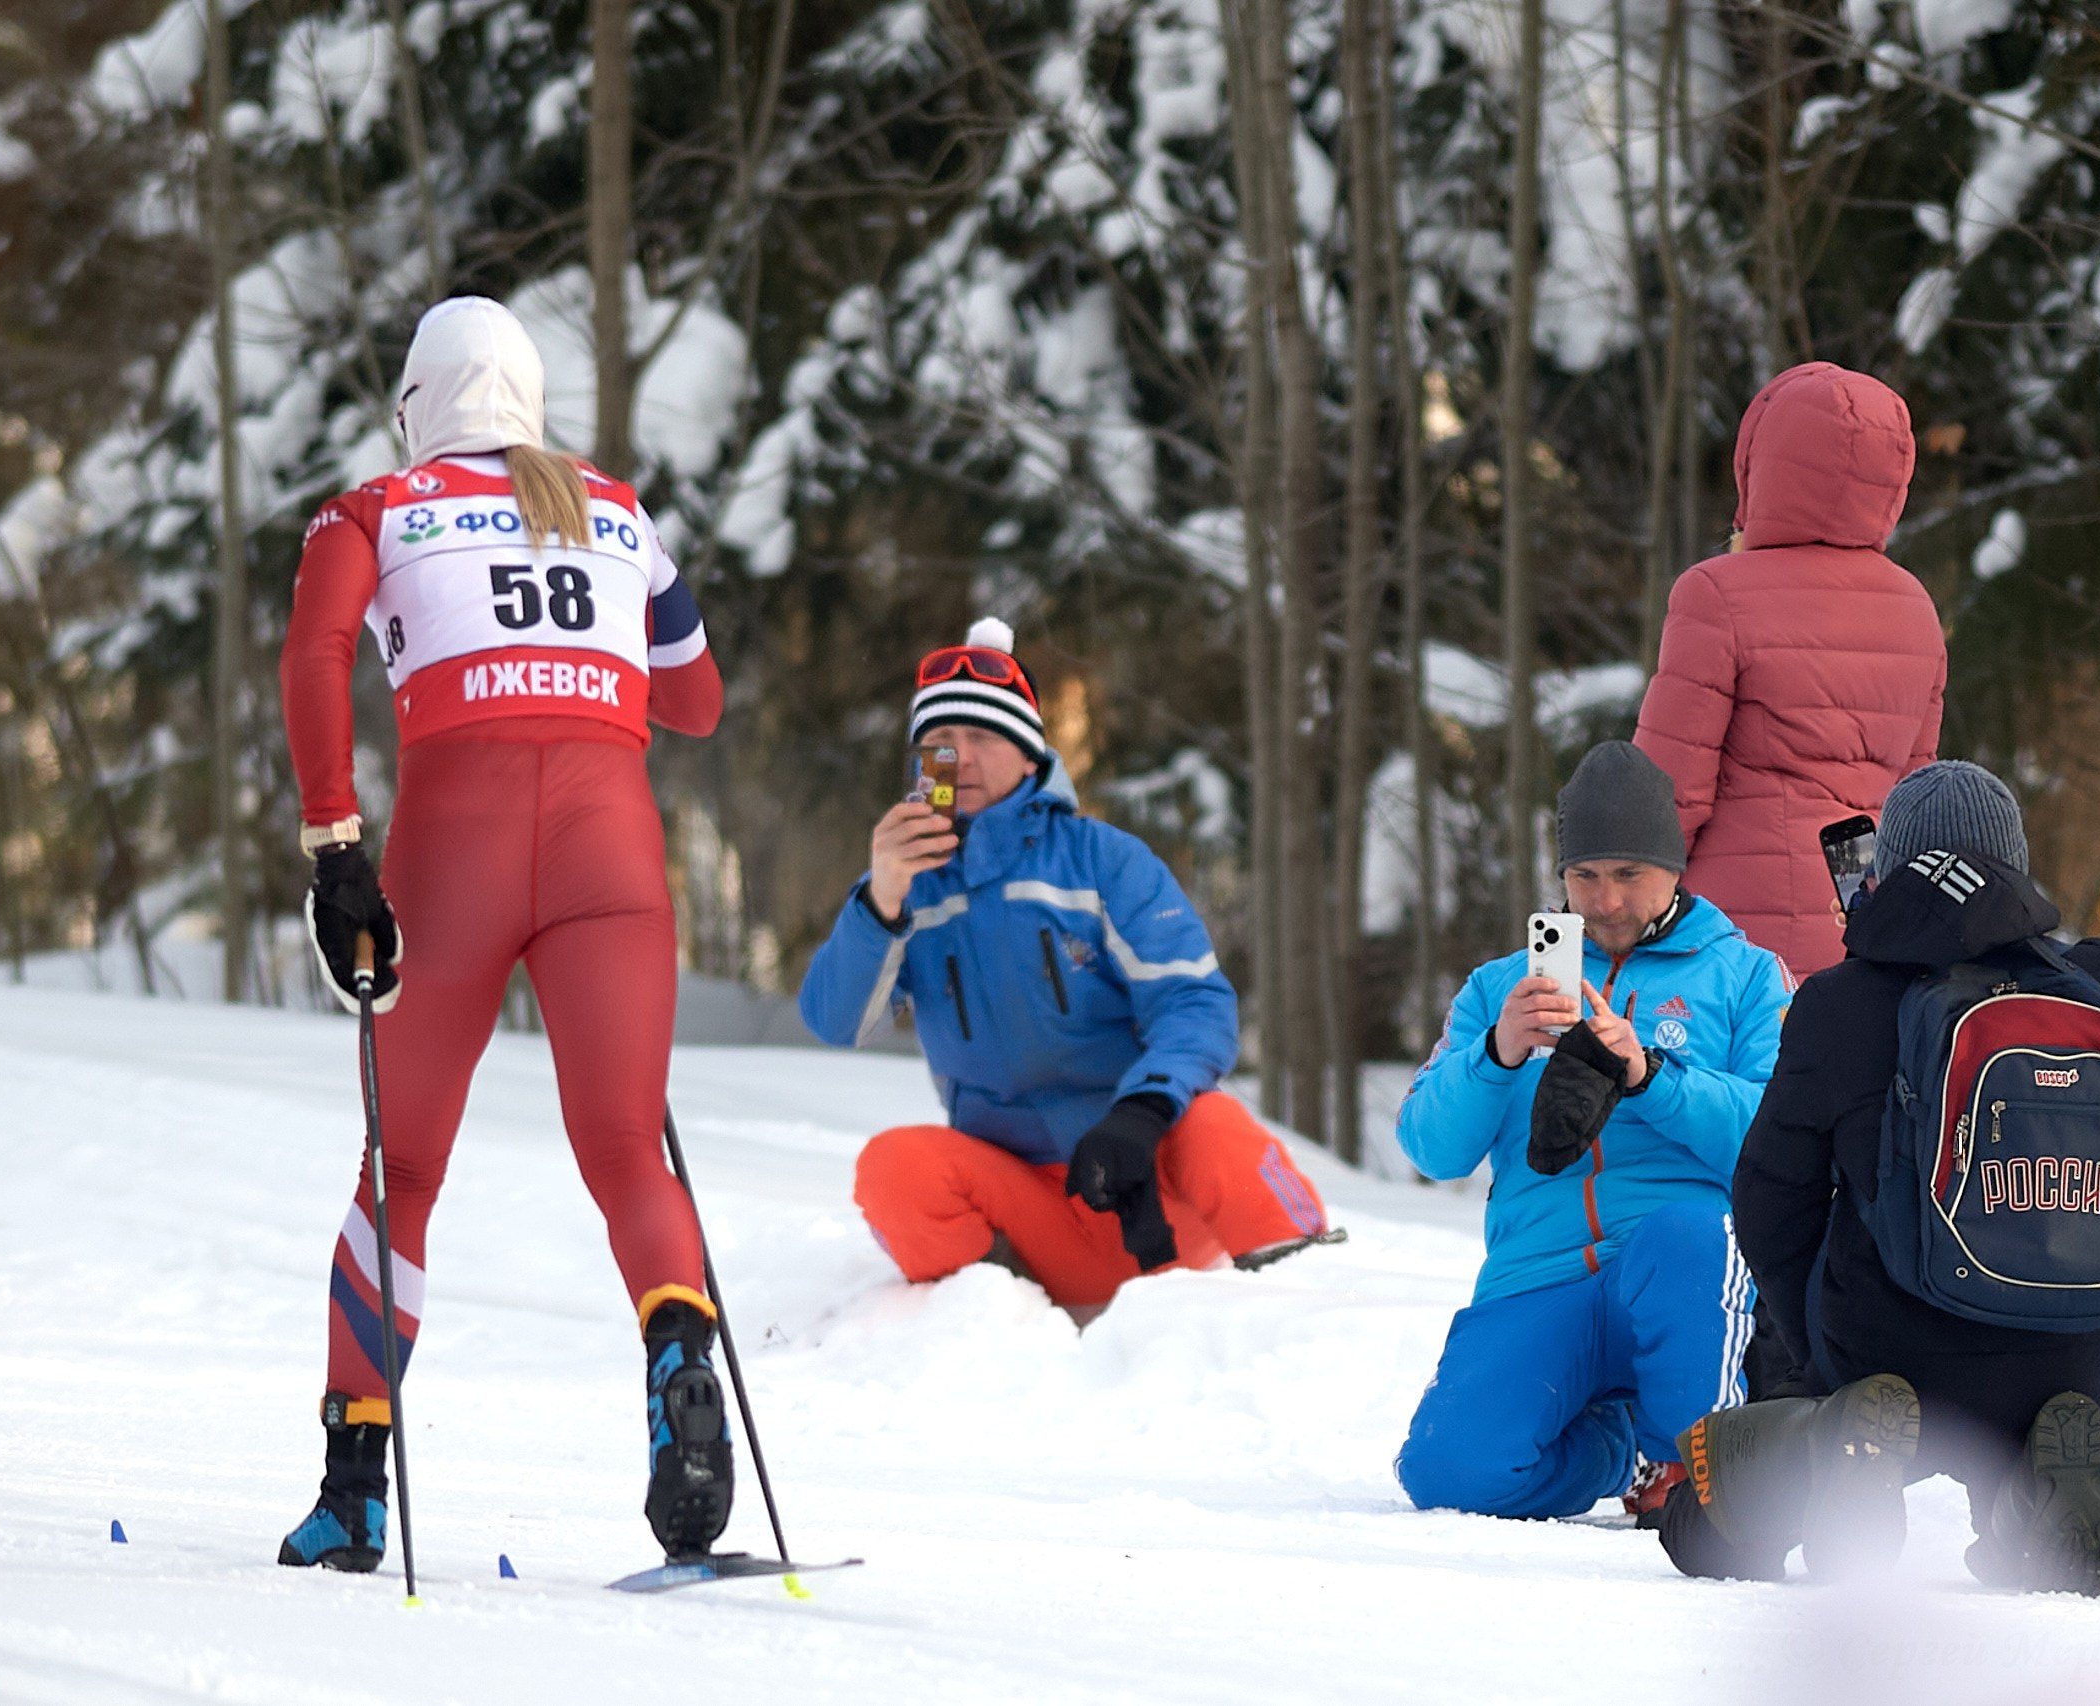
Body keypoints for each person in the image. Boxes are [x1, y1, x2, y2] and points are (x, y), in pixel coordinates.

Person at [272, 297, 732, 1572]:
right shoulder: (614, 508)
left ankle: (354, 1482)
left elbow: (314, 655)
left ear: (417, 405)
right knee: (629, 1152)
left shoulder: (371, 510)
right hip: (610, 848)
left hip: (453, 847)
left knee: (401, 1171)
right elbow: (696, 699)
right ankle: (679, 1352)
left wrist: (335, 846)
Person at [1659, 762, 2100, 1594]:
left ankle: (1824, 1449)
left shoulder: (1842, 1000)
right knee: (2025, 1460)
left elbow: (1770, 1199)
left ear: (1889, 869)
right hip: (2062, 1357)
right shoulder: (2096, 989)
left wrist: (1817, 1356)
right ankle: (2034, 1491)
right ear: (2015, 865)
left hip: (1885, 1351)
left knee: (1700, 1525)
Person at [795, 619, 1337, 1323]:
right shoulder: (909, 890)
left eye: (984, 739)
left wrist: (1142, 1112)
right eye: (940, 745)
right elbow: (834, 1022)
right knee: (894, 1168)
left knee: (1218, 1128)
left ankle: (1312, 1309)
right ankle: (1008, 1319)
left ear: (1029, 756)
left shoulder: (1102, 860)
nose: (961, 756)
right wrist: (881, 898)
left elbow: (1194, 1003)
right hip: (1027, 1213)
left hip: (1148, 1184)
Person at [1394, 742, 1793, 1521]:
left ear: (1674, 870)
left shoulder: (1746, 975)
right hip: (1538, 1275)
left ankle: (1694, 1464)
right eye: (1585, 877)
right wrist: (1497, 1054)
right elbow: (1429, 1147)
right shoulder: (1498, 987)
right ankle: (1620, 1449)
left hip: (1682, 1269)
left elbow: (1776, 1144)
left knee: (1688, 1235)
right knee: (1448, 1475)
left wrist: (1648, 1076)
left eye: (1628, 876)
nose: (1605, 902)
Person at [1633, 361, 1946, 982]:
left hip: (1728, 940)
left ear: (1761, 464)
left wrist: (1619, 915)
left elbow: (1666, 796)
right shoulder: (1915, 608)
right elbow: (1917, 795)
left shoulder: (1714, 593)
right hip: (1863, 923)